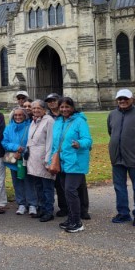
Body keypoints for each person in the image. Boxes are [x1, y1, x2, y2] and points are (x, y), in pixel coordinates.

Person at [107, 89, 135, 227]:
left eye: (125, 98)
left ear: (132, 99)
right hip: (117, 157)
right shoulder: (112, 115)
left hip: (134, 158)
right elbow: (111, 132)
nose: (122, 101)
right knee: (119, 187)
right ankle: (123, 213)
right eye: (120, 99)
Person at [49, 97, 92, 233]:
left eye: (67, 107)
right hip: (62, 162)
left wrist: (79, 144)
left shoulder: (80, 121)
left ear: (72, 108)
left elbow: (88, 140)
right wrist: (51, 160)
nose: (64, 109)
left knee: (70, 191)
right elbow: (55, 144)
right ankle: (71, 218)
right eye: (62, 107)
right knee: (65, 191)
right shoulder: (58, 122)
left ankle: (77, 222)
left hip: (75, 162)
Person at [25, 100, 56, 222]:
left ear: (44, 109)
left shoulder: (49, 121)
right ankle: (41, 208)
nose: (35, 110)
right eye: (33, 108)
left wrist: (48, 160)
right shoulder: (34, 121)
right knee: (38, 186)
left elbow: (50, 142)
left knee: (47, 187)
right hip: (34, 159)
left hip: (44, 157)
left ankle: (49, 211)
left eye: (38, 108)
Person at [2, 108, 35, 215]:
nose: (18, 117)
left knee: (29, 182)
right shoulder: (9, 127)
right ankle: (21, 204)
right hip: (14, 158)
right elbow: (4, 142)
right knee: (17, 182)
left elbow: (33, 142)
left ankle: (32, 204)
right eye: (15, 115)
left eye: (20, 115)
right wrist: (16, 147)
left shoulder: (30, 126)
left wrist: (23, 150)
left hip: (27, 158)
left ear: (25, 116)